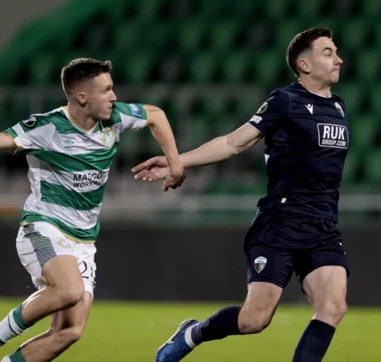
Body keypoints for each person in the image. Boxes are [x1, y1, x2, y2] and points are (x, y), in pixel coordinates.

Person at [132, 28, 349, 362]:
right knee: (254, 320)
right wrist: (177, 161)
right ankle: (192, 333)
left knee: (333, 307)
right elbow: (234, 143)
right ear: (304, 64)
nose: (339, 59)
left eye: (336, 52)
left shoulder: (338, 106)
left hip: (322, 226)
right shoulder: (285, 101)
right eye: (328, 52)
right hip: (281, 223)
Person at [0, 58, 185, 362]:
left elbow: (156, 115)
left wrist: (175, 162)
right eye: (107, 90)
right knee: (68, 290)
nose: (114, 97)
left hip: (83, 241)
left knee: (70, 331)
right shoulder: (48, 128)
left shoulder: (115, 118)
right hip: (44, 226)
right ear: (82, 97)